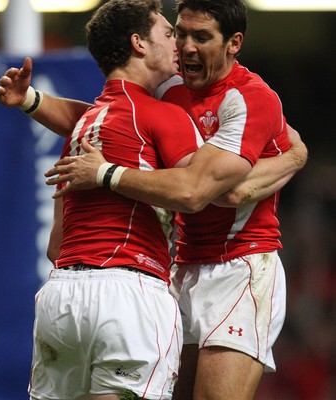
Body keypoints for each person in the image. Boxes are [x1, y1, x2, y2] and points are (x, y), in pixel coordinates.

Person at [41, 1, 308, 399]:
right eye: (180, 34)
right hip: (180, 264)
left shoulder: (251, 99)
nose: (186, 47)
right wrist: (32, 101)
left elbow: (209, 192)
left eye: (201, 38)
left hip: (239, 266)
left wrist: (105, 173)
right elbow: (118, 122)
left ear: (234, 43)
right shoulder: (169, 86)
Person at [1, 1, 213, 399]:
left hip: (61, 299)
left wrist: (32, 100)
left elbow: (54, 245)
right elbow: (193, 191)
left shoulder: (82, 128)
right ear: (139, 44)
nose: (179, 45)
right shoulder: (162, 116)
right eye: (168, 34)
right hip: (129, 294)